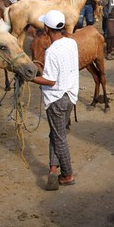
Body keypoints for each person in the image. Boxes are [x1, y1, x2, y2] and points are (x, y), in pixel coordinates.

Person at [31, 10, 78, 191]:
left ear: (46, 28)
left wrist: (31, 78)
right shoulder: (71, 43)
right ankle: (53, 167)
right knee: (56, 133)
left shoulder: (51, 52)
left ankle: (67, 175)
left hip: (57, 99)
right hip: (70, 96)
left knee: (60, 138)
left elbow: (50, 80)